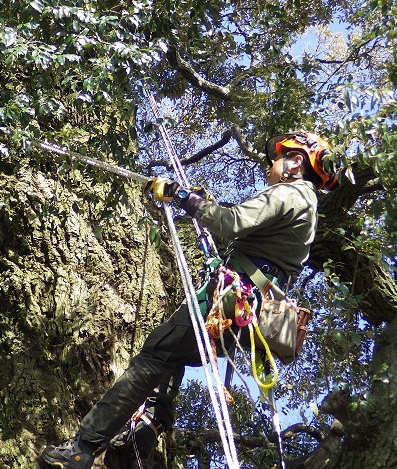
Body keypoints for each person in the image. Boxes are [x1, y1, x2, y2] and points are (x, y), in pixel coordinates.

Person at [41, 131, 338, 469]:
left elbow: (232, 222)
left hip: (230, 301)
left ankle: (82, 449)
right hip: (246, 313)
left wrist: (181, 195)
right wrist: (200, 202)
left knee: (154, 353)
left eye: (276, 159)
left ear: (296, 162)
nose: (270, 166)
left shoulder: (289, 192)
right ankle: (142, 436)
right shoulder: (307, 207)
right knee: (173, 355)